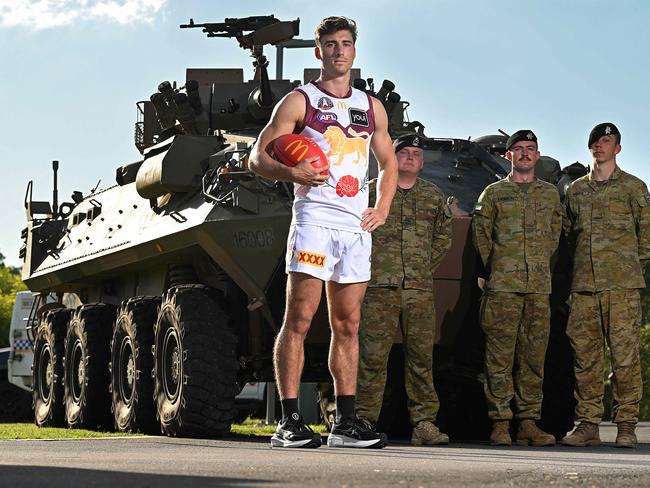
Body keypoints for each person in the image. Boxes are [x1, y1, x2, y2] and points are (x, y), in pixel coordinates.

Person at [248, 16, 398, 449]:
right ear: (318, 52)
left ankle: (345, 423)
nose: (338, 51)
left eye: (346, 43)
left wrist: (382, 207)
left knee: (348, 325)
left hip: (355, 226)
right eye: (330, 44)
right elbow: (257, 158)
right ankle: (289, 421)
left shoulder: (371, 107)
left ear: (355, 50)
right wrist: (289, 170)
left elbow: (389, 163)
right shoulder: (300, 102)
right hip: (314, 220)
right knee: (299, 319)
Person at [356, 134, 452, 445]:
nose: (409, 158)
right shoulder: (370, 192)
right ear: (391, 157)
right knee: (372, 357)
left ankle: (424, 424)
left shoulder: (433, 197)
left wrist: (421, 268)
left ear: (422, 162)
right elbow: (353, 235)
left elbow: (443, 238)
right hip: (378, 288)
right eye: (403, 153)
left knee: (421, 359)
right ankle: (362, 420)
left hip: (418, 290)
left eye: (415, 154)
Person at [561, 123, 650, 448]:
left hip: (622, 288)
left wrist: (626, 269)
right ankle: (588, 424)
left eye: (607, 141)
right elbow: (570, 238)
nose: (600, 146)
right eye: (595, 142)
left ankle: (626, 425)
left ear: (618, 148)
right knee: (586, 359)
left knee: (625, 359)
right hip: (584, 287)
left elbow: (647, 237)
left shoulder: (634, 189)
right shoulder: (576, 192)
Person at [472, 130, 562, 446]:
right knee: (499, 359)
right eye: (519, 149)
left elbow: (555, 236)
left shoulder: (550, 195)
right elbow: (481, 238)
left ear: (537, 156)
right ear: (508, 156)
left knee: (533, 360)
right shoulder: (493, 194)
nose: (524, 154)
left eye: (530, 149)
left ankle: (528, 423)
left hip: (538, 288)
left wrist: (537, 267)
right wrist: (499, 268)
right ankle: (500, 423)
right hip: (502, 289)